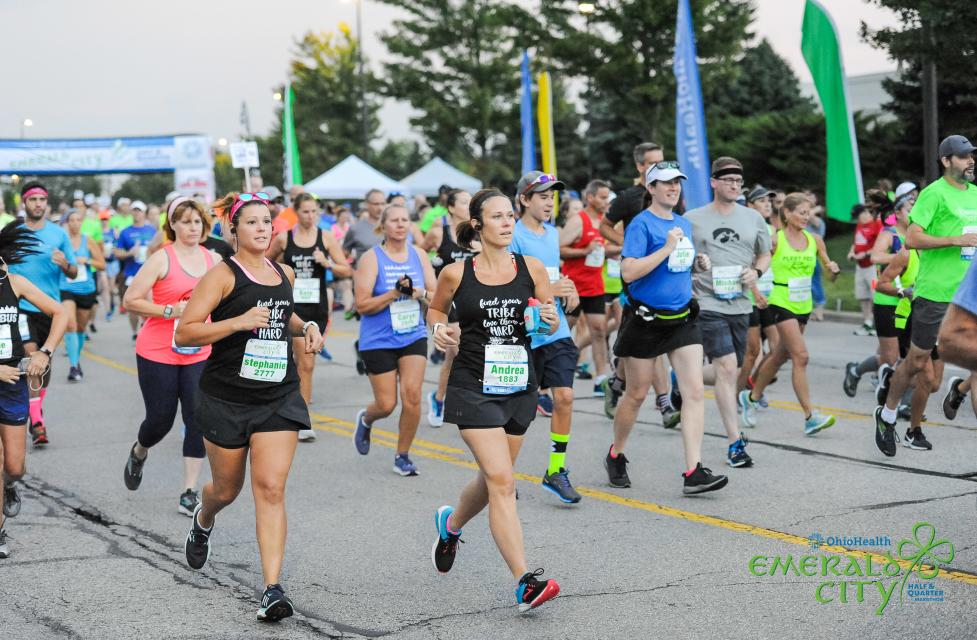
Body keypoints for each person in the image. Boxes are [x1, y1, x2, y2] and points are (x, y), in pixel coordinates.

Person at [176, 191, 323, 622]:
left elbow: (284, 318)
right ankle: (204, 519)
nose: (262, 228)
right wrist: (238, 322)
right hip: (226, 397)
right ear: (234, 231)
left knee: (271, 488)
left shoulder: (283, 273)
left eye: (267, 222)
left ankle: (272, 589)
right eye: (253, 222)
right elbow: (185, 333)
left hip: (278, 396)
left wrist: (307, 326)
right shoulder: (221, 276)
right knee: (226, 489)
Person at [427, 188, 561, 611]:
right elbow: (435, 310)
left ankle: (450, 525)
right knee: (504, 483)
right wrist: (439, 329)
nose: (507, 223)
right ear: (479, 225)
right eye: (498, 217)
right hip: (472, 385)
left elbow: (547, 316)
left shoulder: (532, 268)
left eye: (510, 216)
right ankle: (525, 582)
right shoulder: (456, 273)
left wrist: (551, 316)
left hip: (520, 384)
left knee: (491, 479)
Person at [605, 161, 728, 494]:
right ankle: (616, 453)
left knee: (694, 392)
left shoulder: (682, 224)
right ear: (651, 189)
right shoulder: (641, 226)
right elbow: (629, 272)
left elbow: (677, 268)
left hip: (682, 318)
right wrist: (668, 248)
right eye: (666, 183)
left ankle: (693, 471)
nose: (673, 188)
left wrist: (696, 264)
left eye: (677, 183)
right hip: (645, 320)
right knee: (636, 394)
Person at [875, 135, 977, 456]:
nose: (970, 162)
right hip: (935, 296)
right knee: (916, 362)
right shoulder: (933, 194)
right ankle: (888, 413)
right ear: (946, 161)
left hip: (968, 297)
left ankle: (957, 392)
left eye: (972, 156)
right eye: (963, 157)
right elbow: (912, 239)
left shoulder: (976, 194)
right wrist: (953, 241)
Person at [121, 197, 222, 516]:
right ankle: (139, 451)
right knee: (160, 420)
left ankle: (189, 491)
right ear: (173, 225)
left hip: (198, 351)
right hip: (157, 351)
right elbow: (131, 300)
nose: (192, 227)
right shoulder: (161, 259)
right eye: (186, 221)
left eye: (197, 222)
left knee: (197, 420)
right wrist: (170, 309)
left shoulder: (213, 260)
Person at [685, 157, 770, 467]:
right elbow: (682, 256)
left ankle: (681, 376)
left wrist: (757, 273)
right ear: (713, 183)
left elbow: (764, 253)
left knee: (730, 370)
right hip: (707, 302)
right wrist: (696, 263)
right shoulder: (692, 218)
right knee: (726, 365)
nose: (734, 185)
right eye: (728, 180)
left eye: (738, 181)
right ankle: (735, 442)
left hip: (740, 303)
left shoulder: (752, 218)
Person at [509, 171, 583, 503]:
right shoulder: (514, 236)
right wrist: (548, 289)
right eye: (541, 196)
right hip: (524, 334)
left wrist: (568, 287)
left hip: (554, 328)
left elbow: (551, 274)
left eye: (551, 196)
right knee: (519, 411)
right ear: (524, 200)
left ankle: (556, 470)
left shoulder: (552, 234)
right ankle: (503, 476)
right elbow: (507, 284)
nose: (548, 202)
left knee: (564, 397)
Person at [739, 193, 841, 434]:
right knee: (801, 356)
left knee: (780, 355)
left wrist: (833, 270)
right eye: (802, 212)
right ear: (787, 213)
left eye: (809, 213)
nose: (807, 217)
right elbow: (755, 264)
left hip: (803, 303)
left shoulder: (815, 240)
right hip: (780, 300)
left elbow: (829, 272)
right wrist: (755, 291)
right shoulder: (776, 240)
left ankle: (751, 397)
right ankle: (809, 416)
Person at [0, 225, 70, 558]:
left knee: (14, 467)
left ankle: (10, 486)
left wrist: (45, 351)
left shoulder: (15, 283)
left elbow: (60, 313)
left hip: (13, 383)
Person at [351, 204, 436, 476]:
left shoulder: (419, 255)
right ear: (383, 226)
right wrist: (394, 293)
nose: (401, 224)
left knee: (412, 396)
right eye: (395, 220)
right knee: (387, 404)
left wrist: (419, 292)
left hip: (413, 333)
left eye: (405, 220)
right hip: (378, 339)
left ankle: (402, 455)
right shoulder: (371, 258)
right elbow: (361, 305)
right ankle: (366, 419)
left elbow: (436, 295)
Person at [598, 142, 678, 428]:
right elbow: (604, 226)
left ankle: (618, 384)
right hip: (635, 277)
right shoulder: (629, 197)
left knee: (636, 344)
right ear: (640, 167)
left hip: (663, 276)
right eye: (653, 163)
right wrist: (628, 245)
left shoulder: (671, 194)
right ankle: (664, 404)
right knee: (644, 344)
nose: (659, 166)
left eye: (663, 160)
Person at [269, 193, 351, 441]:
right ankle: (300, 417)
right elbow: (265, 264)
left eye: (314, 211)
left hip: (317, 306)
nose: (311, 216)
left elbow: (346, 269)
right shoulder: (284, 238)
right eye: (305, 211)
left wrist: (327, 263)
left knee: (305, 361)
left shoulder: (325, 238)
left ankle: (295, 406)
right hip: (292, 306)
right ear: (296, 212)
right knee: (303, 361)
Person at [10, 181, 77, 447]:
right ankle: (37, 422)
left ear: (46, 203)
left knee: (43, 365)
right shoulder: (12, 232)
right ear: (24, 203)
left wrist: (65, 264)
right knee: (31, 356)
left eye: (42, 199)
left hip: (50, 308)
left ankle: (35, 407)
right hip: (21, 309)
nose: (38, 204)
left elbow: (73, 273)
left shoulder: (57, 234)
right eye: (33, 199)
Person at [843, 191, 911, 397]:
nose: (915, 212)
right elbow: (875, 256)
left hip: (909, 300)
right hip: (888, 299)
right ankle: (858, 370)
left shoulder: (919, 235)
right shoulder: (889, 234)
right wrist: (900, 256)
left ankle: (906, 403)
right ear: (898, 213)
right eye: (910, 209)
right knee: (890, 358)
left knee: (911, 357)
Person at [423, 189, 476, 427]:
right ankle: (441, 399)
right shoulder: (438, 232)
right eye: (464, 202)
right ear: (452, 208)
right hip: (447, 298)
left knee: (458, 354)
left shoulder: (479, 233)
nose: (469, 205)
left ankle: (442, 397)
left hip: (473, 297)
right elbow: (419, 254)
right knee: (456, 350)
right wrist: (431, 268)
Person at [560, 180, 615, 395]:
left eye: (607, 197)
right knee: (564, 330)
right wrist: (584, 251)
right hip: (574, 286)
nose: (605, 201)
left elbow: (604, 249)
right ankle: (558, 373)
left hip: (595, 285)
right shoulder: (578, 220)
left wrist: (614, 251)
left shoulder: (604, 222)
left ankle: (600, 378)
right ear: (590, 197)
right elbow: (560, 249)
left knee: (599, 331)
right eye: (602, 197)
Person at [738, 185, 780, 401]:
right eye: (762, 201)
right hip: (752, 296)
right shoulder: (746, 228)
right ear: (749, 205)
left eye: (769, 201)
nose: (767, 204)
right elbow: (747, 264)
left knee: (778, 347)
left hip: (770, 295)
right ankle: (737, 393)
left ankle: (752, 384)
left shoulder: (771, 229)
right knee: (752, 351)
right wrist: (755, 291)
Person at [60, 209, 106, 381]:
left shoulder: (88, 241)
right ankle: (73, 366)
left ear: (82, 222)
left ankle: (76, 360)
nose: (75, 223)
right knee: (70, 324)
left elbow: (102, 264)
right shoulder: (61, 241)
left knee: (80, 328)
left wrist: (85, 260)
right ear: (66, 222)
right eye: (71, 220)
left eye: (78, 220)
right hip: (65, 287)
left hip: (86, 289)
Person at [115, 201, 157, 340]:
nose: (137, 213)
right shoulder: (125, 232)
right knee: (132, 307)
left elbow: (160, 249)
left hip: (150, 274)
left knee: (149, 303)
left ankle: (147, 328)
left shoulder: (152, 230)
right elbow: (117, 252)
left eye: (139, 210)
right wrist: (129, 253)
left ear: (144, 213)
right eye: (134, 210)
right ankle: (134, 331)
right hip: (132, 274)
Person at [848, 201, 883, 335]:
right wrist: (852, 252)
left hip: (873, 266)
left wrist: (866, 253)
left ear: (864, 213)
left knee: (875, 295)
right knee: (862, 295)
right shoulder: (860, 224)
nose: (857, 220)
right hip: (860, 266)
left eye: (858, 216)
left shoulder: (877, 223)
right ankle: (867, 322)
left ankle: (876, 323)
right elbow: (856, 242)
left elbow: (882, 244)